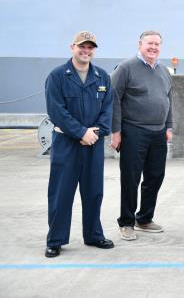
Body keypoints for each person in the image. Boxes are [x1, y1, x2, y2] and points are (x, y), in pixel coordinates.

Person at [44, 31, 114, 258]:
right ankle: (55, 240)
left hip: (93, 144)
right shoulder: (57, 76)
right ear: (72, 47)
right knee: (61, 193)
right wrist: (81, 132)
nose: (86, 51)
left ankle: (93, 235)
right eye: (82, 46)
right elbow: (57, 111)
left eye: (90, 47)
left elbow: (108, 110)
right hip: (66, 144)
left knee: (94, 192)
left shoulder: (102, 77)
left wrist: (95, 133)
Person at [110, 31, 173, 241]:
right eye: (149, 43)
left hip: (158, 132)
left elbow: (168, 100)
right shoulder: (125, 68)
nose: (153, 47)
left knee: (155, 177)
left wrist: (169, 126)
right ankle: (126, 222)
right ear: (140, 44)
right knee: (131, 178)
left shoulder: (164, 71)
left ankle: (144, 218)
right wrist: (116, 132)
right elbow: (113, 100)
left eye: (157, 44)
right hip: (133, 131)